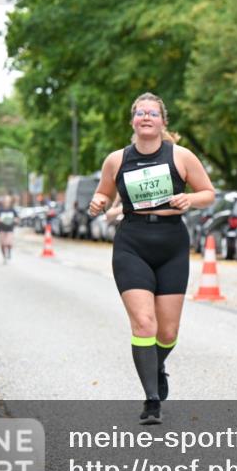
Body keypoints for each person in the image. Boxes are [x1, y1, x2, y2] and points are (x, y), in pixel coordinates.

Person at [89, 92, 215, 424]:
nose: (147, 117)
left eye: (153, 113)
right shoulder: (117, 160)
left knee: (168, 331)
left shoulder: (181, 156)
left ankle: (156, 365)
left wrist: (190, 198)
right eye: (141, 113)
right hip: (132, 242)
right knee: (145, 323)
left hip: (171, 242)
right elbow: (104, 190)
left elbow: (208, 193)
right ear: (133, 120)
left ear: (162, 121)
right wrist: (99, 201)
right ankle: (151, 400)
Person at [0, 194, 17, 264]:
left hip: (10, 229)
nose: (6, 202)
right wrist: (0, 220)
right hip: (2, 229)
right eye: (5, 200)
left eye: (8, 201)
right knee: (3, 244)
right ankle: (4, 257)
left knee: (9, 243)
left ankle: (9, 252)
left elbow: (17, 218)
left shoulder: (12, 210)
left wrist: (14, 220)